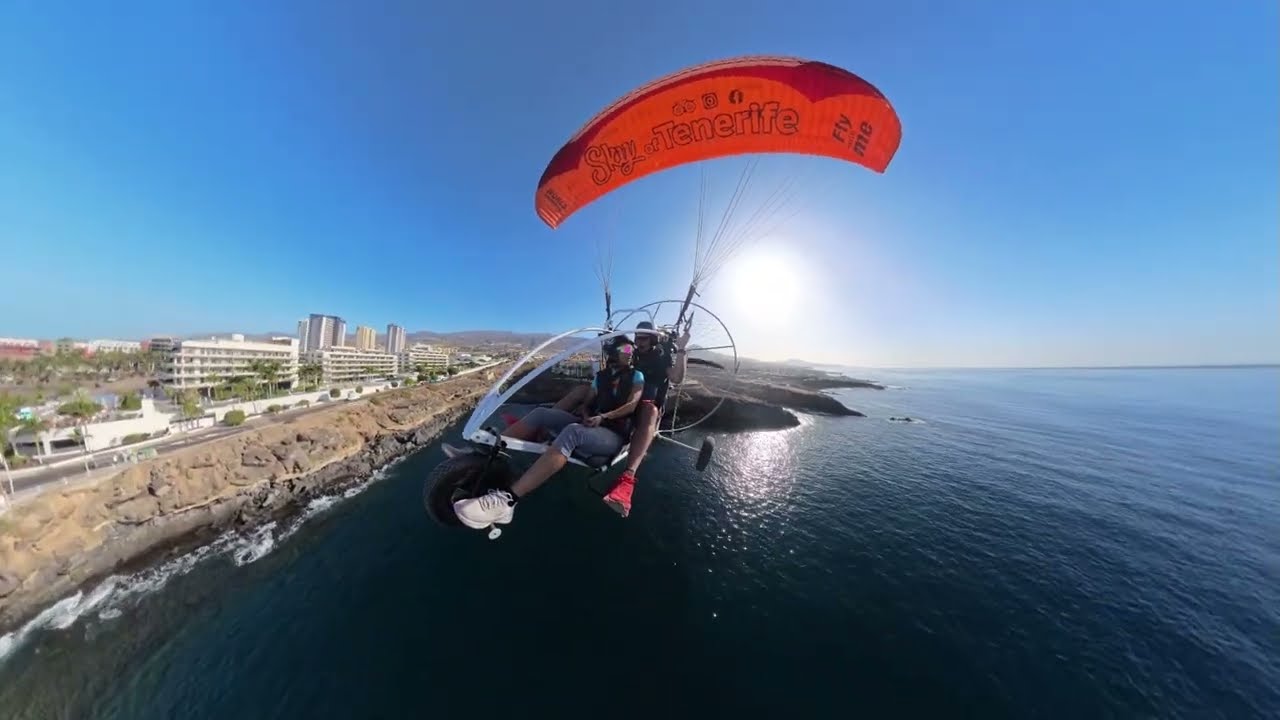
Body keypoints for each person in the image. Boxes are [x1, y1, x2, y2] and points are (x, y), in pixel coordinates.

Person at [452, 341, 645, 529]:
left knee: (572, 432)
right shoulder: (601, 377)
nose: (630, 351)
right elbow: (587, 403)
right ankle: (485, 454)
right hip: (594, 423)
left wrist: (603, 417)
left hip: (614, 433)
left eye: (631, 348)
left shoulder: (636, 376)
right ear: (614, 351)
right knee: (541, 414)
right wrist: (587, 415)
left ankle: (507, 502)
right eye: (626, 348)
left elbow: (632, 404)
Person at [601, 320, 689, 517]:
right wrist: (610, 338)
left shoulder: (661, 357)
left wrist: (681, 349)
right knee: (587, 391)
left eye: (643, 338)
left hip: (646, 404)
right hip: (626, 399)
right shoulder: (631, 352)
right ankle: (539, 425)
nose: (638, 342)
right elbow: (615, 354)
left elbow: (676, 378)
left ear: (653, 339)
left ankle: (627, 479)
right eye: (637, 338)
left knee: (650, 412)